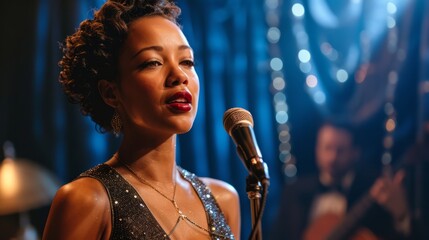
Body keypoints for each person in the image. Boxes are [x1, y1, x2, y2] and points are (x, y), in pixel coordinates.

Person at [42, 0, 241, 239]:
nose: (179, 76)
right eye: (153, 62)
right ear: (110, 93)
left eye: (186, 61)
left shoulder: (223, 199)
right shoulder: (88, 200)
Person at [269, 121, 410, 240]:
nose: (332, 158)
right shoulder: (294, 191)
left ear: (355, 152)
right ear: (316, 149)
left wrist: (401, 214)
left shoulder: (372, 189)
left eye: (340, 150)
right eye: (327, 148)